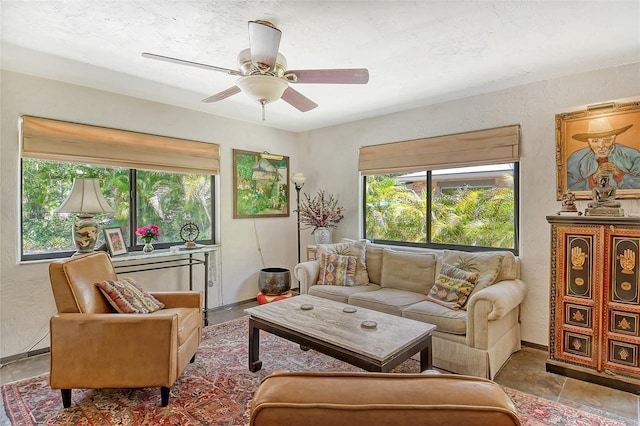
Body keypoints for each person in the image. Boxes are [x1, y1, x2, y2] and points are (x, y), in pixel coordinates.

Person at [566, 117, 638, 191]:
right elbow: (568, 188)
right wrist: (593, 178)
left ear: (614, 139)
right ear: (588, 142)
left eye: (607, 140)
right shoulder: (576, 159)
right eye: (595, 141)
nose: (601, 146)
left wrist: (620, 175)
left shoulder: (632, 155)